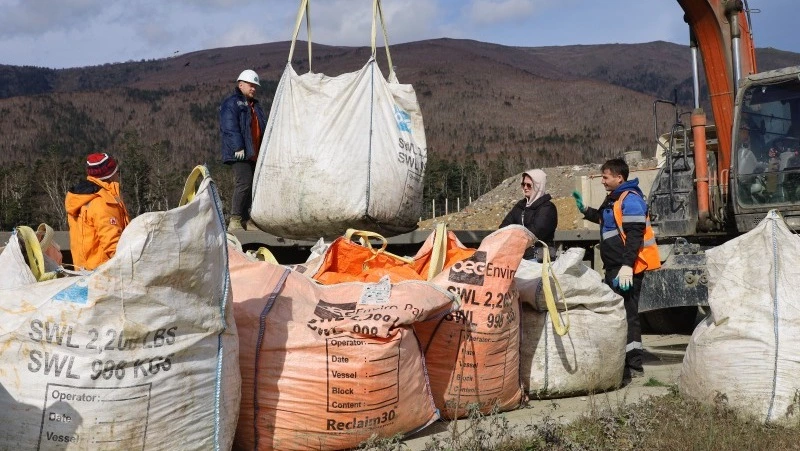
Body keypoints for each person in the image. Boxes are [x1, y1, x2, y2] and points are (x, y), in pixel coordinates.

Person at [572, 158, 660, 383]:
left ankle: (634, 365)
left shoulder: (630, 200)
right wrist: (586, 210)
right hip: (615, 268)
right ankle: (621, 363)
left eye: (605, 177)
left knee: (629, 315)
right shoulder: (614, 199)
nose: (602, 181)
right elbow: (605, 221)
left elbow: (634, 236)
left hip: (626, 269)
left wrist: (627, 267)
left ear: (619, 178)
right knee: (618, 315)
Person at [219, 69, 267, 231]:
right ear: (241, 85)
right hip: (239, 153)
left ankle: (247, 220)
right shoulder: (232, 103)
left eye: (255, 86)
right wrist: (238, 146)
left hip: (254, 153)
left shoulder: (256, 106)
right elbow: (230, 127)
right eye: (250, 85)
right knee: (244, 183)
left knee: (252, 186)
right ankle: (235, 219)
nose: (253, 88)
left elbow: (262, 128)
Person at [65, 153, 131, 270]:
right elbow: (113, 245)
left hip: (84, 271)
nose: (118, 174)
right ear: (110, 175)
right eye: (116, 171)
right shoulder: (102, 202)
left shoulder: (81, 198)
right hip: (104, 273)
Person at [499, 169, 558, 261]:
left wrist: (512, 236)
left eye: (529, 185)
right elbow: (503, 228)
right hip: (519, 258)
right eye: (523, 184)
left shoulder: (548, 208)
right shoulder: (520, 206)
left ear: (538, 186)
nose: (525, 188)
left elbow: (535, 233)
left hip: (539, 260)